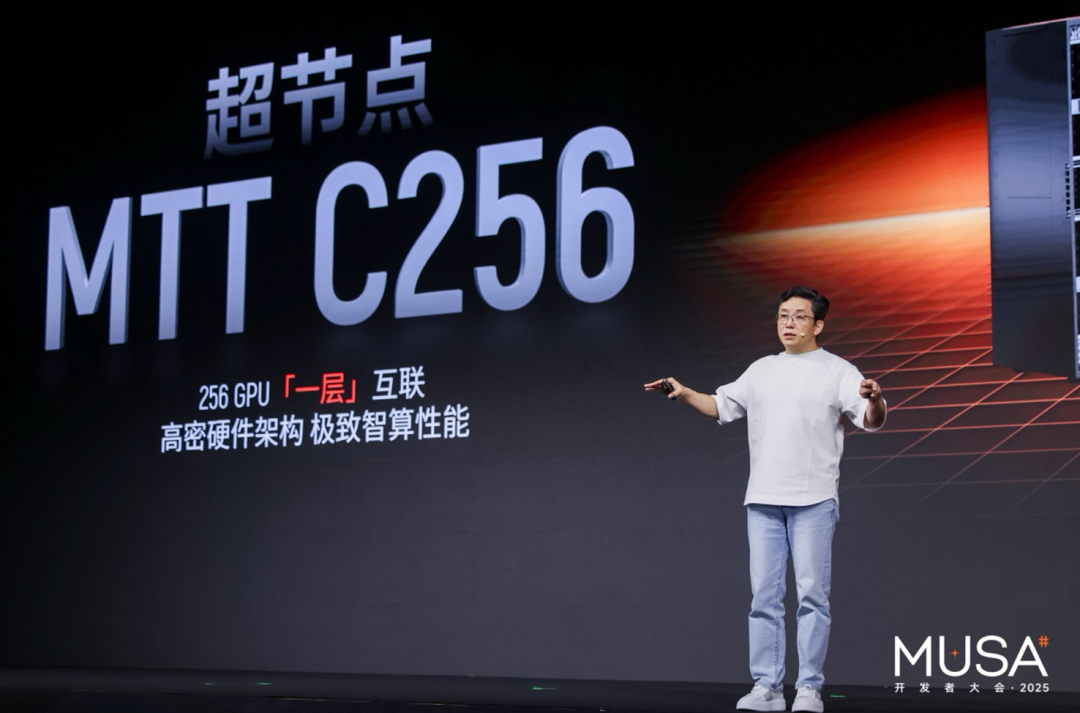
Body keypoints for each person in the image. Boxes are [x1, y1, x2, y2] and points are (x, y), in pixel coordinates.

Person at [644, 286, 885, 713]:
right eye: (783, 316)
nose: (788, 323)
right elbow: (721, 406)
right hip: (762, 500)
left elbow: (872, 420)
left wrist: (876, 399)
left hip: (814, 499)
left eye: (799, 316)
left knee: (812, 597)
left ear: (818, 325)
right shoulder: (761, 370)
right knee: (764, 599)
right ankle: (767, 687)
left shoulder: (839, 371)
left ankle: (808, 688)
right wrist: (684, 393)